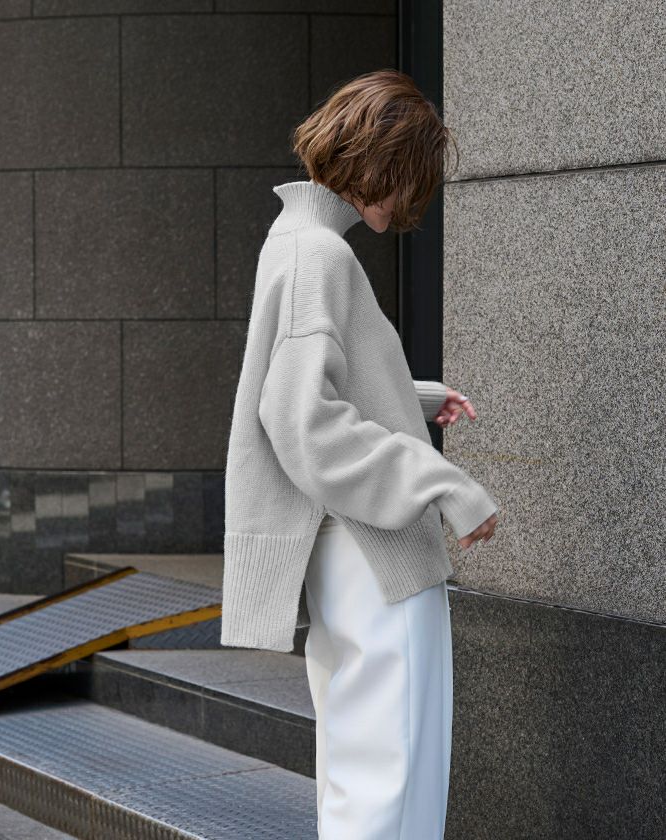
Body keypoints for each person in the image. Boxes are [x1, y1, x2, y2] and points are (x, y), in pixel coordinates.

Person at [220, 68, 498, 838]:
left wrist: (411, 398)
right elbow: (301, 419)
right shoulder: (320, 255)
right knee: (394, 775)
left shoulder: (293, 240)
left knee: (364, 770)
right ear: (383, 163)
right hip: (373, 553)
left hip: (346, 551)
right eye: (409, 177)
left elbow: (303, 384)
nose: (407, 201)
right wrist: (442, 480)